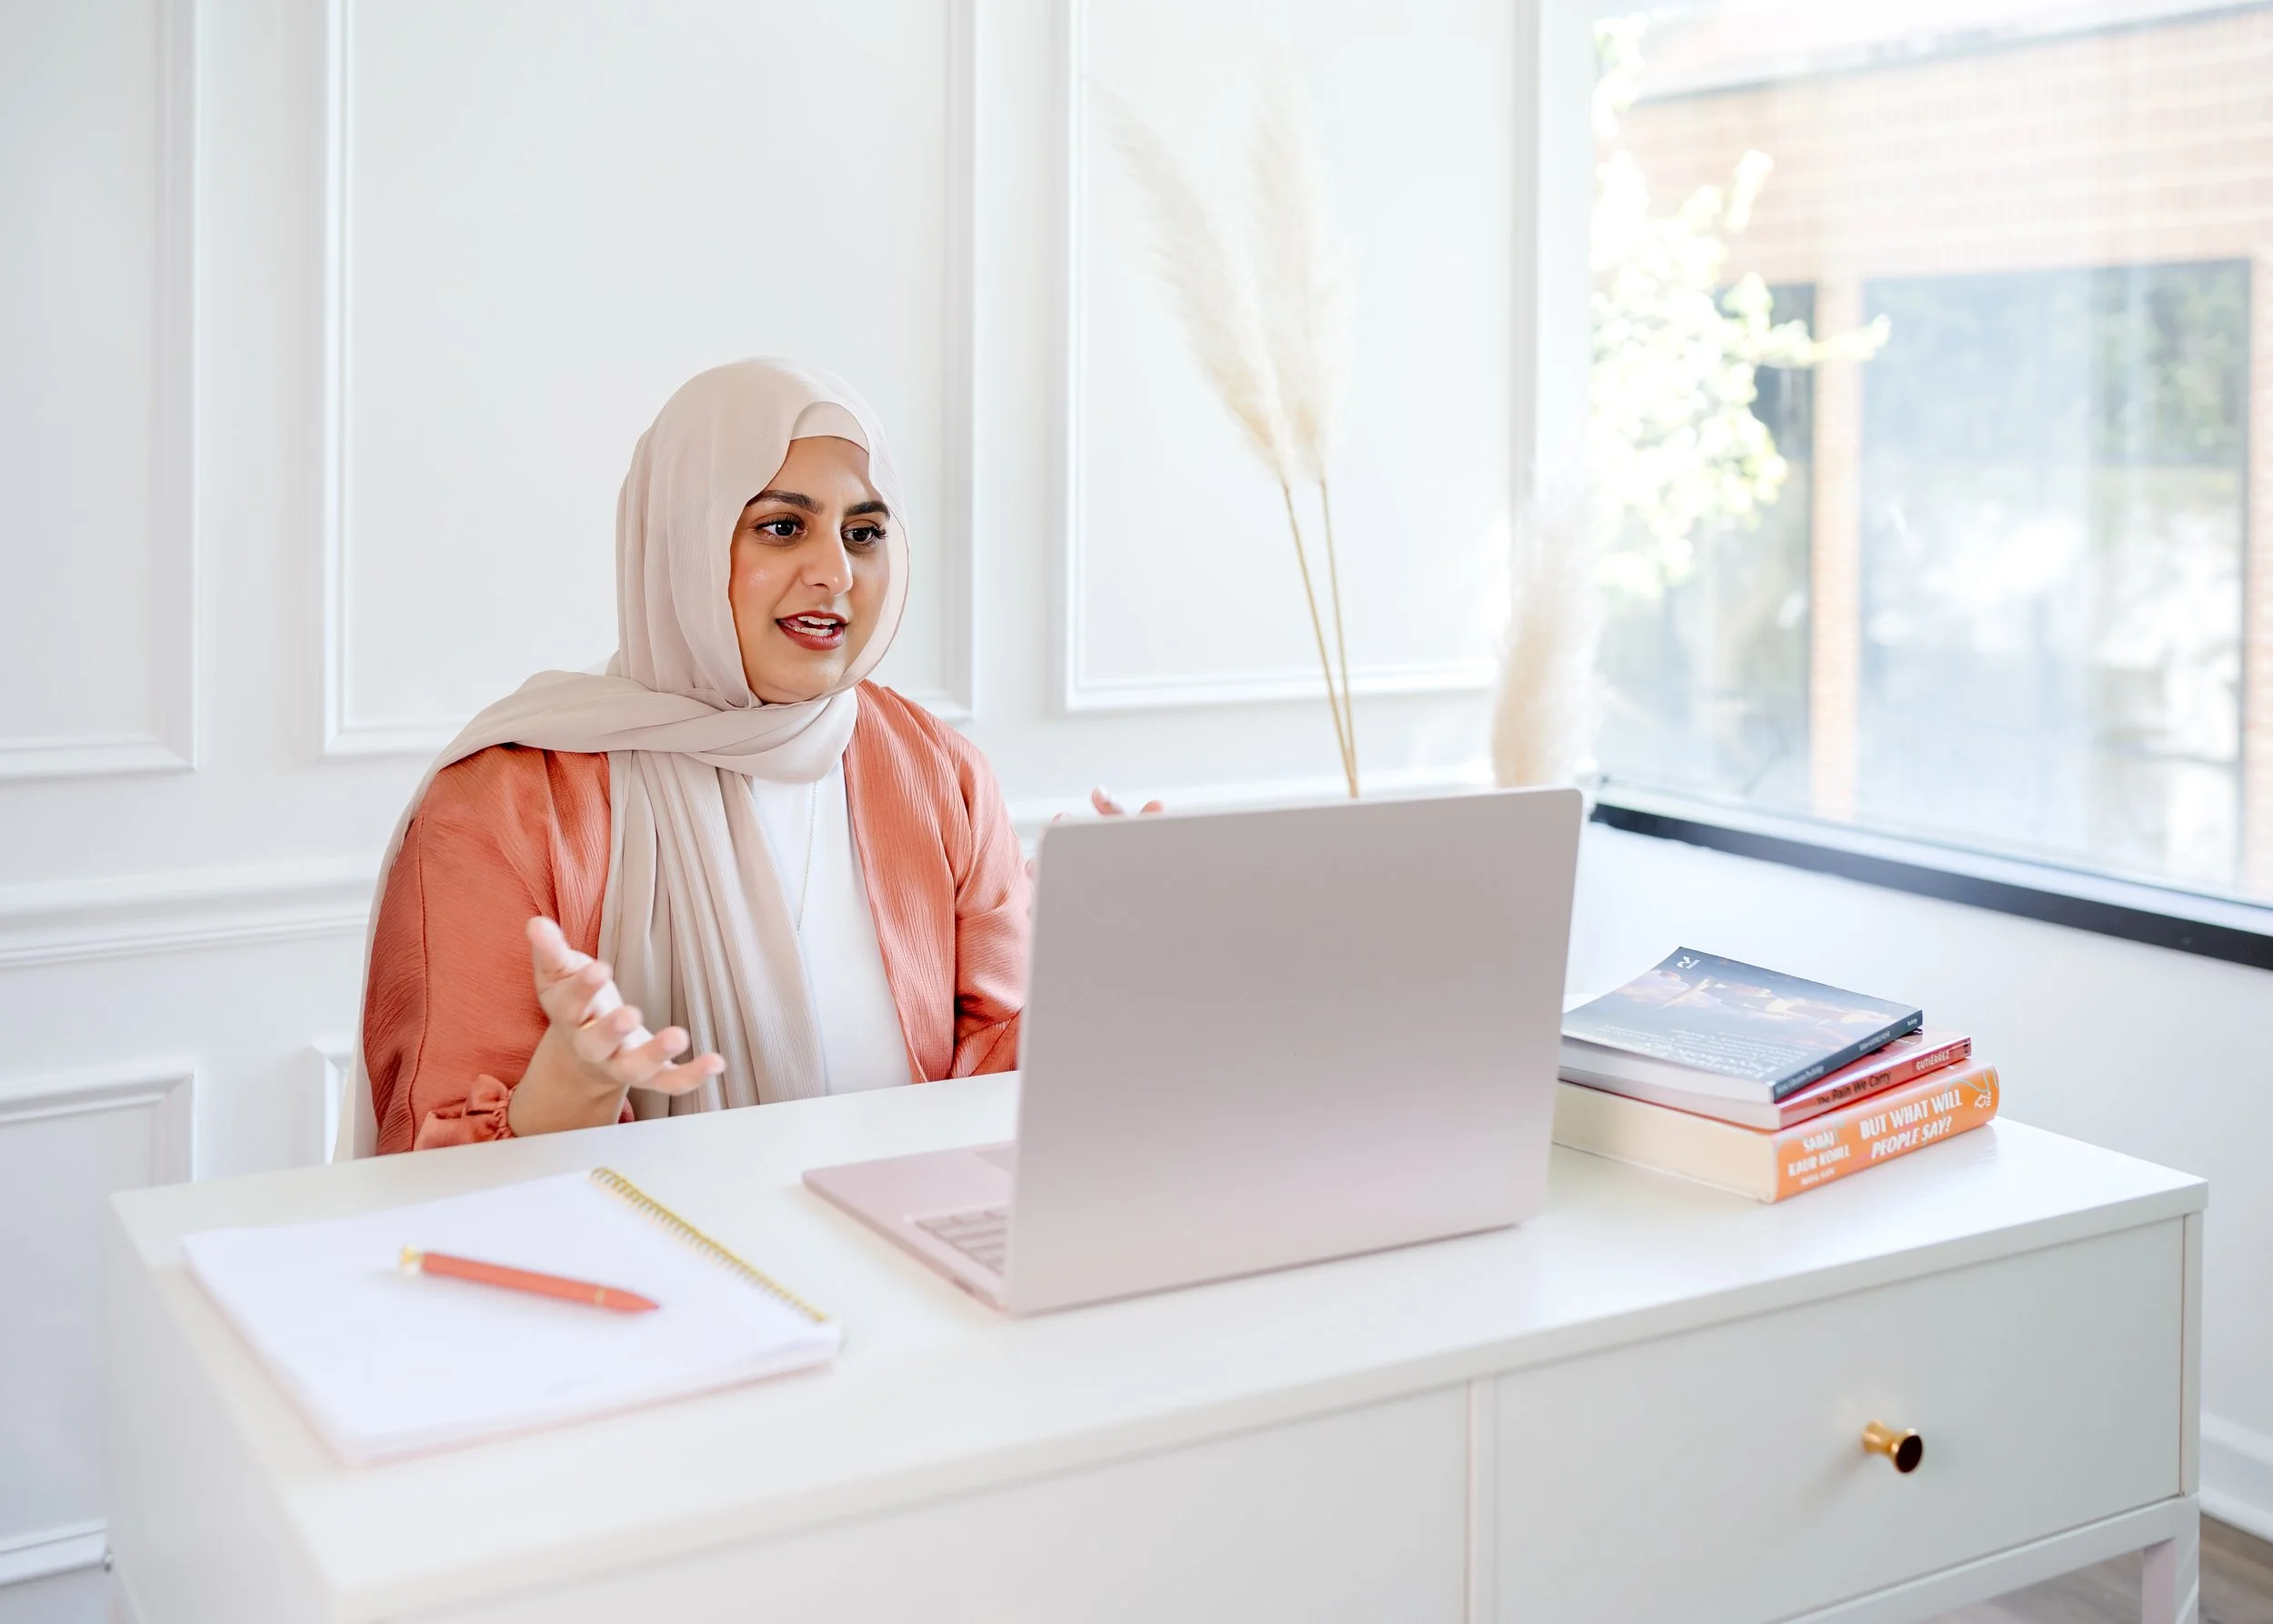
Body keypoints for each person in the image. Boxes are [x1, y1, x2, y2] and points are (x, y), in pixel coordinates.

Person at [357, 360, 1043, 1152]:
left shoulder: (937, 774)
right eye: (782, 527)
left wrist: (1114, 954)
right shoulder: (506, 804)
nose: (835, 574)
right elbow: (431, 1169)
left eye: (864, 534)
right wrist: (569, 1088)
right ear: (681, 542)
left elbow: (1002, 1086)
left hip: (892, 1230)